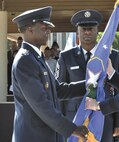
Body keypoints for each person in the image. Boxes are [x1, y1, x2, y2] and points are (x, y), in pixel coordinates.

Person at [11, 6, 88, 142]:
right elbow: (41, 104)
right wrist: (71, 129)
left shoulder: (35, 57)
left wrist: (90, 84)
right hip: (33, 137)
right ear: (30, 29)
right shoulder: (25, 60)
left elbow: (58, 90)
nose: (49, 31)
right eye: (44, 27)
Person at [56, 9, 119, 142]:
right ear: (77, 32)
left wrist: (118, 122)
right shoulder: (66, 57)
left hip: (104, 117)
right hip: (74, 118)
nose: (87, 32)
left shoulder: (112, 55)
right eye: (83, 29)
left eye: (91, 28)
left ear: (97, 31)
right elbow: (60, 92)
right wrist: (60, 123)